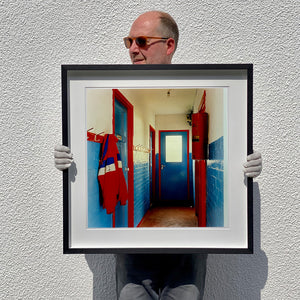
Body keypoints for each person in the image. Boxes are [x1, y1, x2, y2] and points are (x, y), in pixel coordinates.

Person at [54, 11, 262, 300]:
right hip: (131, 249)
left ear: (169, 45)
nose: (132, 49)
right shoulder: (98, 84)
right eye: (128, 41)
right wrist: (70, 161)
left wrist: (243, 163)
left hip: (189, 249)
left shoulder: (205, 82)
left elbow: (234, 158)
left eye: (141, 40)